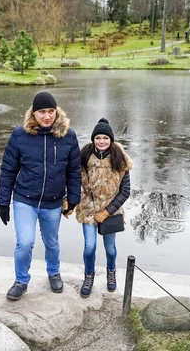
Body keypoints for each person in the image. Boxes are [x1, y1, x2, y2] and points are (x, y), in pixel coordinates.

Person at [0, 91, 81, 301]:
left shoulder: (68, 136)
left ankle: (54, 272)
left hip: (53, 202)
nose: (47, 116)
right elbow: (8, 170)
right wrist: (3, 201)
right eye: (42, 112)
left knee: (51, 242)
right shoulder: (19, 135)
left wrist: (73, 199)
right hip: (25, 199)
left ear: (56, 112)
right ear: (33, 113)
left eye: (50, 111)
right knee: (24, 242)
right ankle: (21, 281)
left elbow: (73, 170)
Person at [72, 118, 133, 298]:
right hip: (88, 210)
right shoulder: (83, 157)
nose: (101, 141)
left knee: (110, 249)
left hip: (110, 211)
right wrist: (70, 201)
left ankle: (111, 272)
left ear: (111, 140)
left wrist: (107, 211)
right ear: (93, 139)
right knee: (89, 247)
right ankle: (88, 276)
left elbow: (125, 191)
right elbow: (76, 183)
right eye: (98, 137)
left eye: (105, 138)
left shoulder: (120, 159)